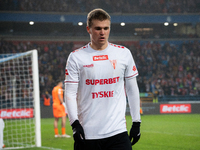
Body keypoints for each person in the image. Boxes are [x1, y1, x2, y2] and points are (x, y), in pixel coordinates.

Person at [65, 8, 141, 150]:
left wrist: (136, 122)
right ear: (88, 29)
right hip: (88, 134)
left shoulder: (123, 54)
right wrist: (75, 124)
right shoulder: (76, 57)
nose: (102, 32)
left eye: (106, 28)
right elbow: (69, 92)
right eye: (98, 28)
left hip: (118, 132)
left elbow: (132, 89)